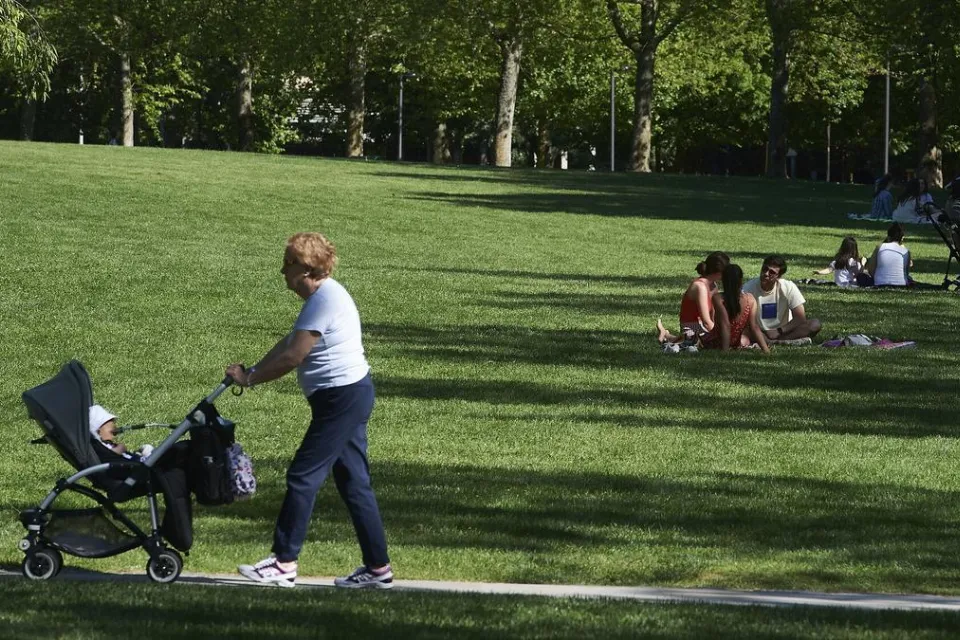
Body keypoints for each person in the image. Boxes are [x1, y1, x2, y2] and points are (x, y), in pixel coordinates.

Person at [227, 232, 392, 589]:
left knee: (303, 476)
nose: (281, 270)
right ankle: (378, 570)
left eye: (288, 262)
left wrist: (252, 381)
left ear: (305, 268)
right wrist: (250, 372)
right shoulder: (322, 298)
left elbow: (293, 357)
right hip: (347, 396)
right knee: (354, 484)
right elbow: (289, 342)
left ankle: (284, 562)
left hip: (341, 399)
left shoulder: (325, 299)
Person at [656, 251, 729, 347]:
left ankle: (666, 335)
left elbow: (713, 316)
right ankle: (669, 337)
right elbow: (706, 321)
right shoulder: (700, 287)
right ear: (719, 271)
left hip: (703, 327)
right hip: (692, 327)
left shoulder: (713, 286)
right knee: (704, 343)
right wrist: (721, 336)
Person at [743, 256, 822, 342]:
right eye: (764, 269)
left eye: (771, 272)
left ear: (779, 276)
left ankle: (777, 341)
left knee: (815, 324)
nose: (766, 273)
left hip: (784, 331)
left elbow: (800, 317)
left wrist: (779, 331)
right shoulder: (748, 288)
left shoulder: (788, 287)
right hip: (758, 331)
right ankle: (779, 342)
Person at [701, 264, 770, 354]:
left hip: (716, 343)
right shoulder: (750, 299)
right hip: (736, 343)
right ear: (740, 280)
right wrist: (766, 350)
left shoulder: (718, 298)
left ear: (724, 280)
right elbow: (754, 327)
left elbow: (725, 324)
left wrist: (725, 351)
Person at [89, 404, 154, 459]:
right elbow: (109, 457)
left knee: (148, 448)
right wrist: (120, 448)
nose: (113, 424)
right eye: (109, 421)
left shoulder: (107, 444)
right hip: (135, 469)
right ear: (98, 432)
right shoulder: (100, 447)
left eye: (113, 421)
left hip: (135, 462)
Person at [862, 223, 912, 287]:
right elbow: (906, 273)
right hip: (902, 284)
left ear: (888, 236)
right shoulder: (906, 252)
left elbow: (871, 269)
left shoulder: (880, 247)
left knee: (862, 276)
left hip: (880, 283)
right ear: (902, 238)